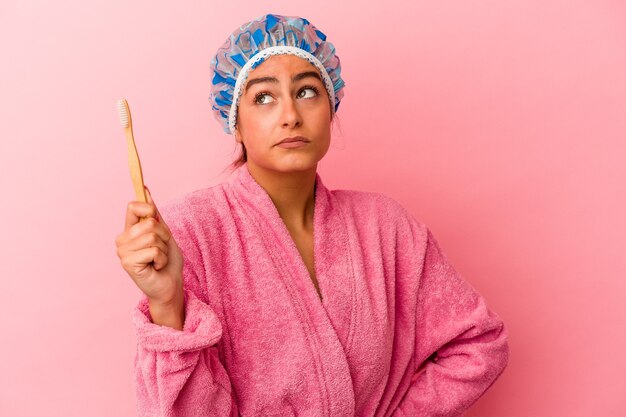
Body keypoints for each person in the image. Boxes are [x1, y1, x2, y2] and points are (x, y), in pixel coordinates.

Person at [115, 13, 510, 416]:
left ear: (331, 106)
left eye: (306, 91)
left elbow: (479, 343)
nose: (290, 115)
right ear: (235, 121)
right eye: (264, 97)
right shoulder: (189, 232)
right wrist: (165, 303)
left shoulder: (385, 227)